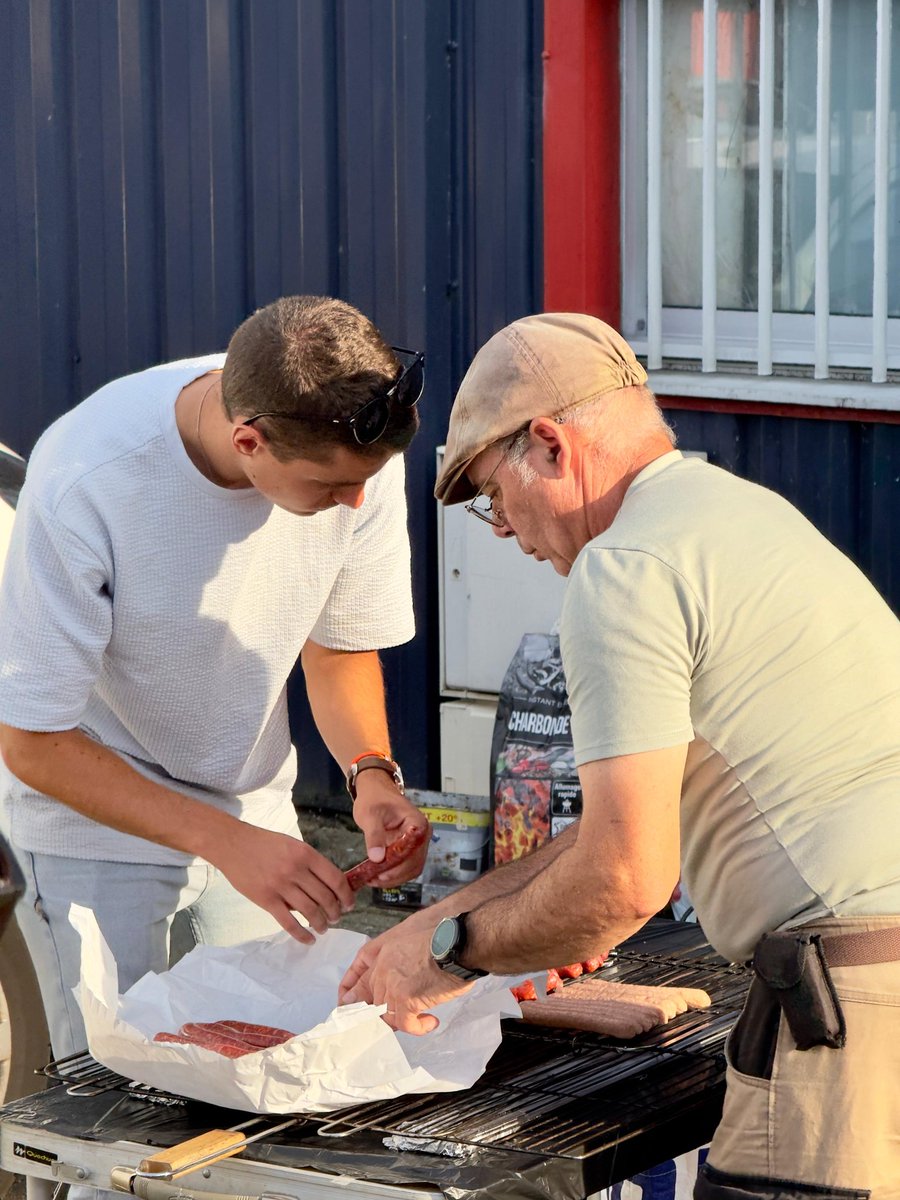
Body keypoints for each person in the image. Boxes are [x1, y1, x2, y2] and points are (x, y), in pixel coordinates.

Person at [339, 313, 900, 1200]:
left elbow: (624, 878)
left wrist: (449, 951)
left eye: (490, 493)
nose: (497, 529)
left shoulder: (625, 567)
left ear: (552, 447)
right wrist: (433, 925)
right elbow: (631, 819)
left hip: (855, 1016)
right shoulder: (736, 515)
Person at [0, 294, 430, 1062]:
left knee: (275, 1074)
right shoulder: (86, 479)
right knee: (114, 1105)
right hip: (92, 821)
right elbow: (33, 743)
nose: (356, 501)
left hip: (250, 805)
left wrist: (371, 775)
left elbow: (336, 646)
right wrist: (225, 840)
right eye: (330, 489)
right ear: (248, 441)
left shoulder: (352, 450)